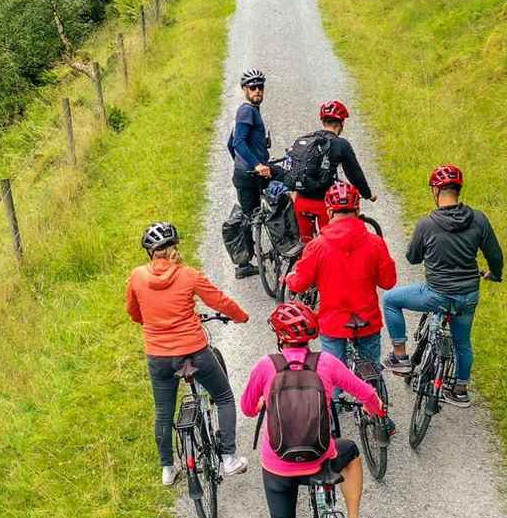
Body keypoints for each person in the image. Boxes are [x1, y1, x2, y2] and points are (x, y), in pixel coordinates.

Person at [240, 301, 384, 518]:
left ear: (279, 336)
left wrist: (262, 401)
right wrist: (377, 411)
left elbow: (248, 408)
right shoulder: (327, 362)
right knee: (351, 453)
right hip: (321, 459)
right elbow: (365, 392)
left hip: (278, 467)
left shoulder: (266, 366)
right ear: (312, 335)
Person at [127, 222, 250, 485]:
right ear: (175, 247)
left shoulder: (137, 276)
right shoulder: (188, 275)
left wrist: (154, 322)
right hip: (194, 351)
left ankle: (167, 468)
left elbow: (134, 313)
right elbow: (219, 301)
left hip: (159, 357)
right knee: (224, 396)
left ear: (150, 252)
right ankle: (229, 458)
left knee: (163, 411)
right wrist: (241, 316)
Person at [382, 165, 503, 409]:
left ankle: (400, 356)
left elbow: (413, 258)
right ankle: (460, 390)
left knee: (390, 300)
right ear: (458, 190)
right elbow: (495, 255)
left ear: (436, 191)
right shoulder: (479, 219)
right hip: (468, 295)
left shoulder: (427, 224)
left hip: (436, 294)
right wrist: (495, 274)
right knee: (462, 343)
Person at [283, 182, 395, 373]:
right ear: (357, 209)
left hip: (333, 323)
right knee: (371, 374)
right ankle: (374, 388)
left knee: (333, 377)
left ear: (329, 211)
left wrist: (289, 279)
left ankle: (337, 391)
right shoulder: (375, 243)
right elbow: (388, 282)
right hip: (367, 321)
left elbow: (299, 284)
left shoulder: (317, 246)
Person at [284, 100, 376, 243]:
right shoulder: (341, 144)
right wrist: (368, 194)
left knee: (305, 244)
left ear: (323, 121)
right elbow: (354, 174)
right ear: (341, 123)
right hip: (324, 205)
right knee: (330, 244)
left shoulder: (306, 140)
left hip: (301, 202)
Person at [227, 68, 272, 278]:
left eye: (260, 87)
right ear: (244, 89)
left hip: (247, 173)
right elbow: (238, 143)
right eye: (252, 87)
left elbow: (230, 143)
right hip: (251, 174)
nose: (257, 91)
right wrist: (254, 165)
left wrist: (241, 164)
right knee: (249, 217)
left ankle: (248, 260)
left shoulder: (252, 110)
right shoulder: (246, 111)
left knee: (251, 214)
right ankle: (244, 265)